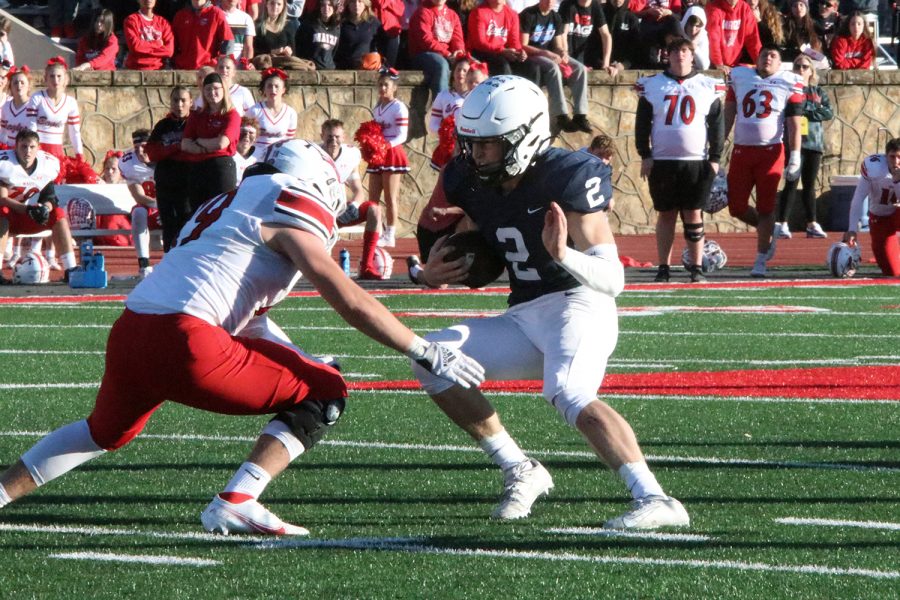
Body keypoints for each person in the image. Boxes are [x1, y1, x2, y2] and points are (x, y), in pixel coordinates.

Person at [0, 140, 485, 537]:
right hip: (188, 341)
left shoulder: (223, 204)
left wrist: (298, 355)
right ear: (318, 180)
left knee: (102, 431)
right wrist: (423, 349)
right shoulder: (291, 201)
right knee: (326, 390)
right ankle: (237, 499)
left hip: (132, 330)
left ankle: (2, 492)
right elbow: (348, 299)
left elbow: (245, 316)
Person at [413, 75, 689, 529]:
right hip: (524, 312)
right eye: (473, 143)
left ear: (525, 137)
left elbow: (614, 280)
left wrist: (564, 254)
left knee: (567, 390)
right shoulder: (466, 177)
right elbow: (441, 244)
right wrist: (424, 274)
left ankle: (656, 499)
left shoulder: (566, 175)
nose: (476, 154)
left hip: (580, 303)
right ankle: (520, 468)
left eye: (489, 145)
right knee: (430, 359)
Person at [636, 38, 725, 283]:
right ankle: (663, 267)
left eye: (684, 51)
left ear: (692, 55)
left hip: (696, 160)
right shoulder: (653, 85)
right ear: (668, 55)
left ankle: (696, 268)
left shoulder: (707, 84)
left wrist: (715, 157)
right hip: (663, 160)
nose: (680, 56)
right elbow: (642, 123)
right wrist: (645, 154)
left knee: (694, 213)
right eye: (675, 51)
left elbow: (716, 124)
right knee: (666, 214)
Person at [724, 45, 804, 277]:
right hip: (742, 150)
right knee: (736, 207)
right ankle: (768, 231)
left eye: (773, 56)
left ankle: (760, 259)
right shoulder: (739, 76)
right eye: (764, 55)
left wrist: (795, 155)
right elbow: (729, 114)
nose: (767, 58)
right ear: (756, 59)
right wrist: (716, 150)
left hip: (770, 151)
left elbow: (794, 124)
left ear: (780, 64)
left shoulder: (789, 81)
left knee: (766, 207)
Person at [0, 130, 77, 284]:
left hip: (21, 216)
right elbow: (3, 199)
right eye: (23, 146)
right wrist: (28, 210)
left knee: (58, 214)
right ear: (16, 147)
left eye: (32, 147)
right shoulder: (5, 164)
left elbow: (50, 197)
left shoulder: (46, 165)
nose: (28, 151)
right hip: (5, 216)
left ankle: (71, 269)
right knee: (3, 212)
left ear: (38, 148)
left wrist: (44, 209)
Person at [774, 54, 832, 240]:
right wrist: (808, 110)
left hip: (814, 142)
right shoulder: (788, 90)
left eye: (805, 66)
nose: (801, 69)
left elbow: (828, 112)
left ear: (811, 71)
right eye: (797, 66)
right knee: (791, 182)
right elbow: (786, 112)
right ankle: (782, 222)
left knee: (809, 184)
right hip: (793, 142)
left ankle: (811, 222)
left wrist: (806, 110)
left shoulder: (818, 92)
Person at [321, 119, 385, 279]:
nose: (333, 141)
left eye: (337, 137)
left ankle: (367, 265)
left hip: (340, 210)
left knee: (374, 210)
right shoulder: (313, 154)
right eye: (329, 137)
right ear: (322, 136)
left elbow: (358, 190)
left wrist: (355, 205)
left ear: (343, 137)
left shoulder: (349, 156)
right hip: (319, 213)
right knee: (325, 272)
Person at [520, 0, 592, 135]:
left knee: (580, 68)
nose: (550, 2)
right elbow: (522, 45)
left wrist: (563, 53)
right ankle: (561, 115)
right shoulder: (528, 15)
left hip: (550, 53)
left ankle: (580, 115)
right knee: (553, 68)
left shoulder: (555, 17)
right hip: (532, 55)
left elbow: (557, 45)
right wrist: (545, 53)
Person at [181, 72, 241, 211]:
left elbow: (222, 143)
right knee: (198, 211)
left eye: (216, 88)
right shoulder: (197, 115)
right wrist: (207, 146)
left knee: (220, 210)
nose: (212, 92)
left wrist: (199, 141)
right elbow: (185, 144)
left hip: (220, 167)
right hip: (198, 167)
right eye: (208, 89)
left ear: (223, 90)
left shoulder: (231, 115)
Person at [842, 138, 900, 277]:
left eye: (899, 157)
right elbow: (859, 197)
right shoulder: (874, 168)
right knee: (892, 271)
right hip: (880, 218)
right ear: (886, 156)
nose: (896, 161)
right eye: (892, 156)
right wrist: (852, 229)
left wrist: (897, 181)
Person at [146, 85, 193, 251]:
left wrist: (171, 151)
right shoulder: (163, 126)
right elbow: (151, 153)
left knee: (187, 221)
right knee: (168, 223)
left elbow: (195, 151)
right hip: (166, 182)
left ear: (190, 102)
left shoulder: (195, 123)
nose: (179, 104)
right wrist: (177, 148)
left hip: (189, 182)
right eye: (175, 100)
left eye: (183, 100)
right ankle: (169, 258)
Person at [366, 67, 408, 248]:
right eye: (381, 84)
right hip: (378, 154)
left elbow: (402, 135)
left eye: (386, 85)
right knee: (372, 198)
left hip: (391, 153)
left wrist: (384, 145)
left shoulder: (399, 107)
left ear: (394, 88)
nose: (383, 88)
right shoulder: (377, 108)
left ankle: (391, 233)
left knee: (391, 197)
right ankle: (378, 231)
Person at [119, 129, 161, 278]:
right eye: (137, 148)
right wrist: (158, 206)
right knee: (138, 212)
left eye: (144, 146)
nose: (140, 151)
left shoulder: (166, 156)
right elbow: (139, 196)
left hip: (172, 206)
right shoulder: (129, 163)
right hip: (151, 207)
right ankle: (144, 263)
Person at [29, 58, 84, 163]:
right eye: (51, 76)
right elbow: (31, 127)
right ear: (45, 79)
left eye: (59, 76)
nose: (55, 80)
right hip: (37, 149)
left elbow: (75, 132)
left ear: (66, 79)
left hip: (57, 150)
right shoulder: (37, 97)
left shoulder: (70, 102)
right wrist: (34, 150)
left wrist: (79, 155)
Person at [407, 0, 466, 99]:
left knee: (468, 64)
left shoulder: (453, 15)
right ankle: (442, 106)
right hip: (423, 54)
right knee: (441, 65)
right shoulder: (422, 12)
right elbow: (426, 41)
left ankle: (463, 105)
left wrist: (458, 52)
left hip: (447, 55)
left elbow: (457, 39)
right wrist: (447, 54)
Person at [466, 0, 537, 81]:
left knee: (532, 67)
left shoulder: (512, 14)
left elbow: (514, 42)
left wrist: (519, 52)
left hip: (503, 52)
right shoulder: (479, 12)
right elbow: (479, 43)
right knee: (503, 65)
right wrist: (502, 51)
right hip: (481, 52)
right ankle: (506, 92)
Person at [246, 67, 298, 160]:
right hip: (255, 157)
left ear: (283, 90)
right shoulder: (254, 110)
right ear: (264, 89)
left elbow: (289, 141)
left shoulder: (291, 113)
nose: (273, 90)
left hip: (278, 157)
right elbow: (244, 136)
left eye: (277, 86)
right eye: (269, 86)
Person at [172, 0, 235, 70]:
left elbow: (228, 41)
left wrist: (219, 63)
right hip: (183, 69)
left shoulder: (215, 13)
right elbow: (173, 45)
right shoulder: (180, 15)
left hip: (209, 69)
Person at [558, 0, 616, 75]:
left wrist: (606, 64)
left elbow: (606, 35)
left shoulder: (595, 6)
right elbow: (563, 34)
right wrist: (566, 56)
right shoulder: (567, 5)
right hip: (568, 56)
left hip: (585, 58)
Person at [705, 0, 761, 72]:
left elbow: (753, 39)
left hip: (735, 64)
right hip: (713, 64)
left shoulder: (744, 8)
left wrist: (760, 62)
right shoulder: (714, 8)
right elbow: (713, 38)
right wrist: (718, 63)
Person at [124, 0, 176, 70]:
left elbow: (169, 51)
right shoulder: (131, 20)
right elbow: (135, 46)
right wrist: (157, 44)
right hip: (135, 70)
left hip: (159, 70)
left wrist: (144, 47)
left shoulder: (163, 22)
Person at [335, 0, 383, 70]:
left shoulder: (374, 23)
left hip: (367, 70)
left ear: (365, 4)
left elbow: (383, 46)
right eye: (353, 1)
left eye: (360, 1)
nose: (356, 5)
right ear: (348, 4)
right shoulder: (340, 22)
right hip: (344, 69)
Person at [296, 0, 342, 70]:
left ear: (334, 7)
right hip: (311, 70)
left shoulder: (336, 28)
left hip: (330, 70)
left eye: (329, 5)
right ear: (319, 7)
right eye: (323, 5)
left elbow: (335, 51)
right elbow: (299, 46)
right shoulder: (308, 25)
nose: (326, 8)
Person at [1, 66, 35, 149]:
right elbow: (3, 132)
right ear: (10, 87)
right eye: (15, 83)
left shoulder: (34, 106)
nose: (19, 85)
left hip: (26, 151)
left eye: (22, 82)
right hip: (9, 151)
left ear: (29, 86)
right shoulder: (6, 106)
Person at [604, 0, 642, 70]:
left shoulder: (631, 19)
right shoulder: (600, 15)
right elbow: (592, 45)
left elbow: (636, 48)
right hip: (600, 67)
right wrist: (603, 63)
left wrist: (625, 65)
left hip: (624, 69)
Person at [372, 0, 404, 66]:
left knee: (389, 65)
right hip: (372, 31)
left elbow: (401, 9)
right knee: (372, 63)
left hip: (391, 31)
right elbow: (379, 2)